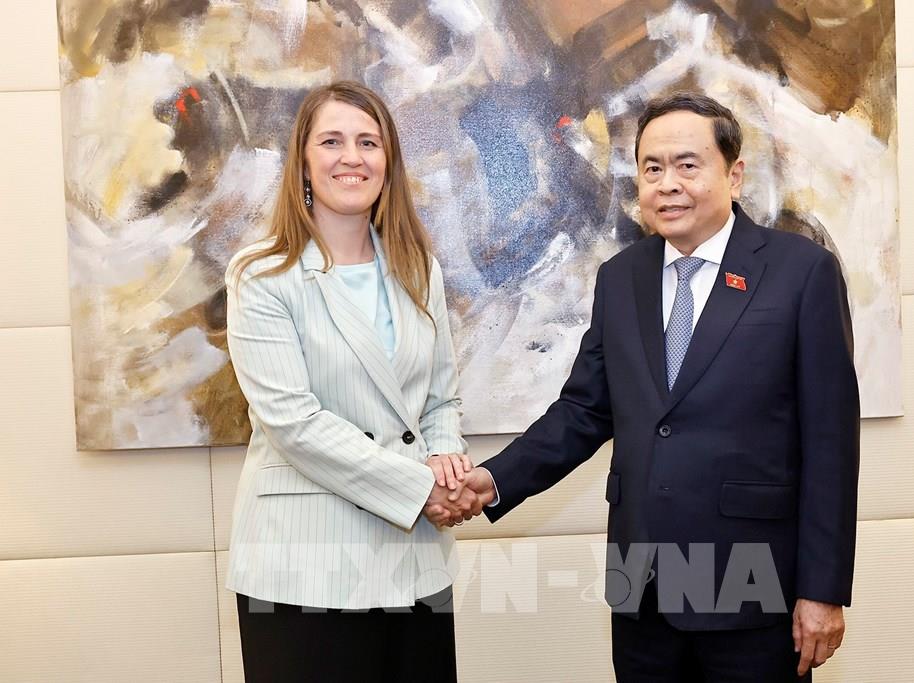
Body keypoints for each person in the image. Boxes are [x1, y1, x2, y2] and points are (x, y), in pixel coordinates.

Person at [457, 92, 860, 681]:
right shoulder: (621, 278)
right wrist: (493, 480)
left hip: (754, 589)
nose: (668, 184)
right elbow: (583, 410)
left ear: (734, 174)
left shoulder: (802, 272)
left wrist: (822, 589)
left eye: (687, 165)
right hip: (639, 587)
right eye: (652, 168)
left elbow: (831, 443)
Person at [224, 81, 481, 683]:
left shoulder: (419, 267)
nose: (352, 157)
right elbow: (295, 424)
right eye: (332, 141)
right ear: (303, 161)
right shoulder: (261, 275)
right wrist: (422, 489)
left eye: (369, 142)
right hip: (303, 566)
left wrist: (446, 460)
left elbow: (440, 397)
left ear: (388, 162)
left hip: (413, 565)